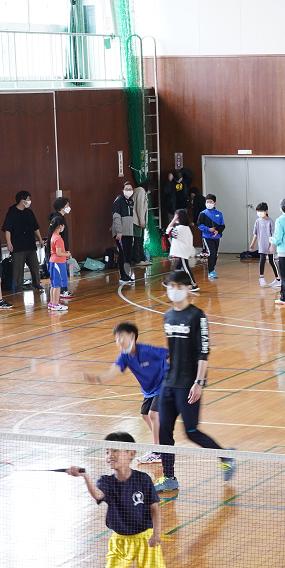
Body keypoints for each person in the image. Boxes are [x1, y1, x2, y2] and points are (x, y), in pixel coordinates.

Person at [69, 431, 193, 568]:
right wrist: (84, 476)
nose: (110, 455)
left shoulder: (143, 480)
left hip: (145, 539)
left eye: (115, 450)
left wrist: (157, 533)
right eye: (107, 451)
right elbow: (97, 495)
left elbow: (155, 508)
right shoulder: (105, 481)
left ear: (130, 454)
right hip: (120, 542)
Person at [155, 269, 235, 493]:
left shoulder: (197, 316)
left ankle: (225, 456)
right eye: (171, 286)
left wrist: (199, 382)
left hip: (189, 384)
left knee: (191, 432)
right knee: (164, 433)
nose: (175, 291)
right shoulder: (167, 315)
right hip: (169, 383)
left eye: (179, 287)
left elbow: (203, 352)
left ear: (189, 289)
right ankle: (169, 477)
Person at [85, 322, 166, 465]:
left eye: (121, 336)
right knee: (145, 414)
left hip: (166, 383)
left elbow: (169, 353)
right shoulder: (124, 357)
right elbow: (112, 373)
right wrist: (96, 379)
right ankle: (161, 445)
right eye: (116, 338)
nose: (119, 341)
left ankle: (158, 451)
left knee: (153, 414)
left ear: (132, 336)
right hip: (149, 389)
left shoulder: (147, 350)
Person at [1, 191, 42, 297]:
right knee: (18, 267)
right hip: (18, 245)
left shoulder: (29, 212)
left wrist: (40, 239)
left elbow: (35, 227)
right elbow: (7, 230)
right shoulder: (12, 213)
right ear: (22, 200)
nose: (29, 201)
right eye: (28, 199)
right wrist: (9, 243)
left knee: (35, 265)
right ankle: (18, 285)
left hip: (30, 244)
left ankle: (37, 283)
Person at [165, 208, 199, 291]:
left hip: (182, 252)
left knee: (186, 268)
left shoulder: (179, 229)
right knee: (177, 268)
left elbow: (168, 230)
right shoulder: (186, 228)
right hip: (184, 251)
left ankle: (193, 284)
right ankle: (170, 280)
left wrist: (173, 220)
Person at [112, 180, 139, 285]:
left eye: (130, 189)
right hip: (121, 233)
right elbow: (116, 216)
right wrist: (118, 231)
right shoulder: (118, 201)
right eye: (126, 189)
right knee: (122, 253)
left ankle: (127, 275)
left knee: (128, 253)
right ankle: (123, 275)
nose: (129, 191)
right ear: (123, 190)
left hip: (129, 232)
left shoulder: (130, 202)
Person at [46, 212, 71, 313]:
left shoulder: (52, 236)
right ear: (60, 226)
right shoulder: (58, 238)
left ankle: (53, 302)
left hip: (53, 262)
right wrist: (67, 254)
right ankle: (55, 304)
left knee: (54, 284)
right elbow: (59, 252)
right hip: (58, 263)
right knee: (57, 285)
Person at [51, 197, 75, 302]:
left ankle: (61, 293)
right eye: (67, 206)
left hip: (61, 252)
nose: (68, 207)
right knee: (59, 277)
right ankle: (61, 292)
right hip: (58, 255)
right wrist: (65, 253)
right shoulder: (58, 218)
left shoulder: (61, 218)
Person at [198, 194, 226, 280]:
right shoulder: (202, 214)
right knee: (211, 253)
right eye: (207, 202)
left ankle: (212, 268)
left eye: (210, 202)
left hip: (216, 237)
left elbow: (222, 225)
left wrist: (218, 231)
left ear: (215, 203)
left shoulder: (219, 214)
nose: (209, 203)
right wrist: (208, 229)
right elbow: (199, 225)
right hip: (207, 236)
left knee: (216, 254)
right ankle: (211, 271)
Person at [253, 202, 278, 288]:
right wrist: (252, 244)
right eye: (258, 211)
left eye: (261, 210)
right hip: (261, 244)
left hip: (269, 245)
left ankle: (278, 279)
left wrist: (272, 245)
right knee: (262, 259)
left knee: (272, 261)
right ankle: (261, 277)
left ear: (266, 211)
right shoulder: (257, 221)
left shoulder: (270, 221)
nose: (259, 212)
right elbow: (255, 234)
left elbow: (273, 234)